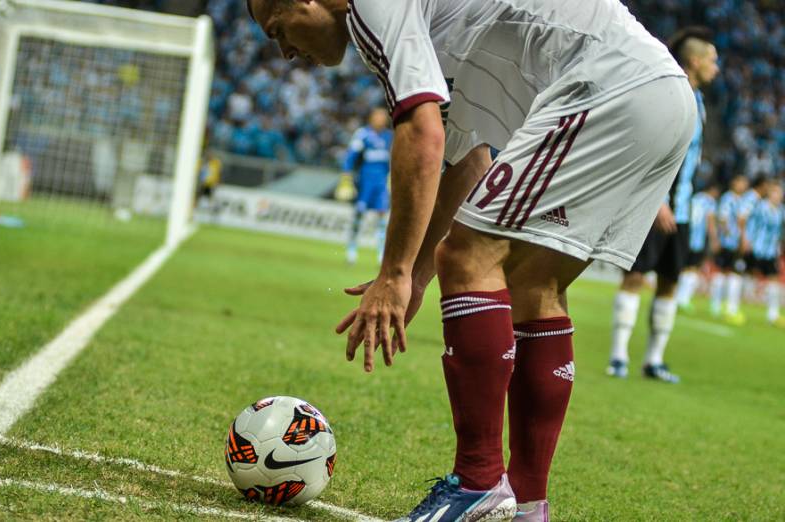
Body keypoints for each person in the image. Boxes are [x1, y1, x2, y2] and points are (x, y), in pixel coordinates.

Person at [247, 1, 696, 520]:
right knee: (535, 288)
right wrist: (415, 278)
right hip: (657, 91)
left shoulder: (370, 8)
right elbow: (466, 158)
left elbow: (422, 133)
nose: (284, 53)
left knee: (466, 256)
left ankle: (477, 483)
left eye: (279, 30)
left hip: (608, 85)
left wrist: (394, 274)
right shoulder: (430, 17)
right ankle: (528, 505)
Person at [606, 27, 718, 384]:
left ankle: (654, 361)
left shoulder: (698, 101)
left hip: (683, 211)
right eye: (713, 61)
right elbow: (649, 149)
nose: (717, 68)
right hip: (654, 206)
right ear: (696, 61)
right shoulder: (671, 93)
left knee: (670, 280)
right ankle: (618, 356)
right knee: (636, 276)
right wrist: (657, 201)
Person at [344, 107, 393, 264]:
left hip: (381, 182)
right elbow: (351, 155)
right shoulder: (363, 134)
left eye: (383, 117)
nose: (380, 119)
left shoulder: (389, 137)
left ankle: (381, 253)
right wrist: (346, 175)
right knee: (359, 213)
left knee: (382, 215)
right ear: (371, 118)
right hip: (365, 181)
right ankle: (351, 249)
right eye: (378, 116)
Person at [710, 175, 757, 324]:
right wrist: (727, 235)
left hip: (736, 243)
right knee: (727, 272)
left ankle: (722, 306)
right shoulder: (728, 198)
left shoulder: (740, 200)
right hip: (728, 243)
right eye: (740, 182)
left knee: (729, 272)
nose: (743, 185)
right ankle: (721, 306)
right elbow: (722, 218)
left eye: (745, 183)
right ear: (733, 182)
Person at [743, 183, 784, 325]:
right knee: (748, 275)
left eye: (779, 193)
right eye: (775, 192)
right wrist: (746, 239)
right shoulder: (760, 207)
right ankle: (736, 306)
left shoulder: (781, 211)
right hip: (756, 247)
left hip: (771, 251)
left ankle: (772, 315)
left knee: (774, 279)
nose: (778, 196)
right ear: (769, 194)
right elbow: (749, 222)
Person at [676, 183, 721, 311]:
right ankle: (683, 300)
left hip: (686, 237)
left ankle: (677, 297)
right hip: (697, 240)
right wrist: (714, 239)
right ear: (712, 190)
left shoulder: (694, 198)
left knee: (684, 268)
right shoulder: (709, 202)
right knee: (693, 269)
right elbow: (710, 222)